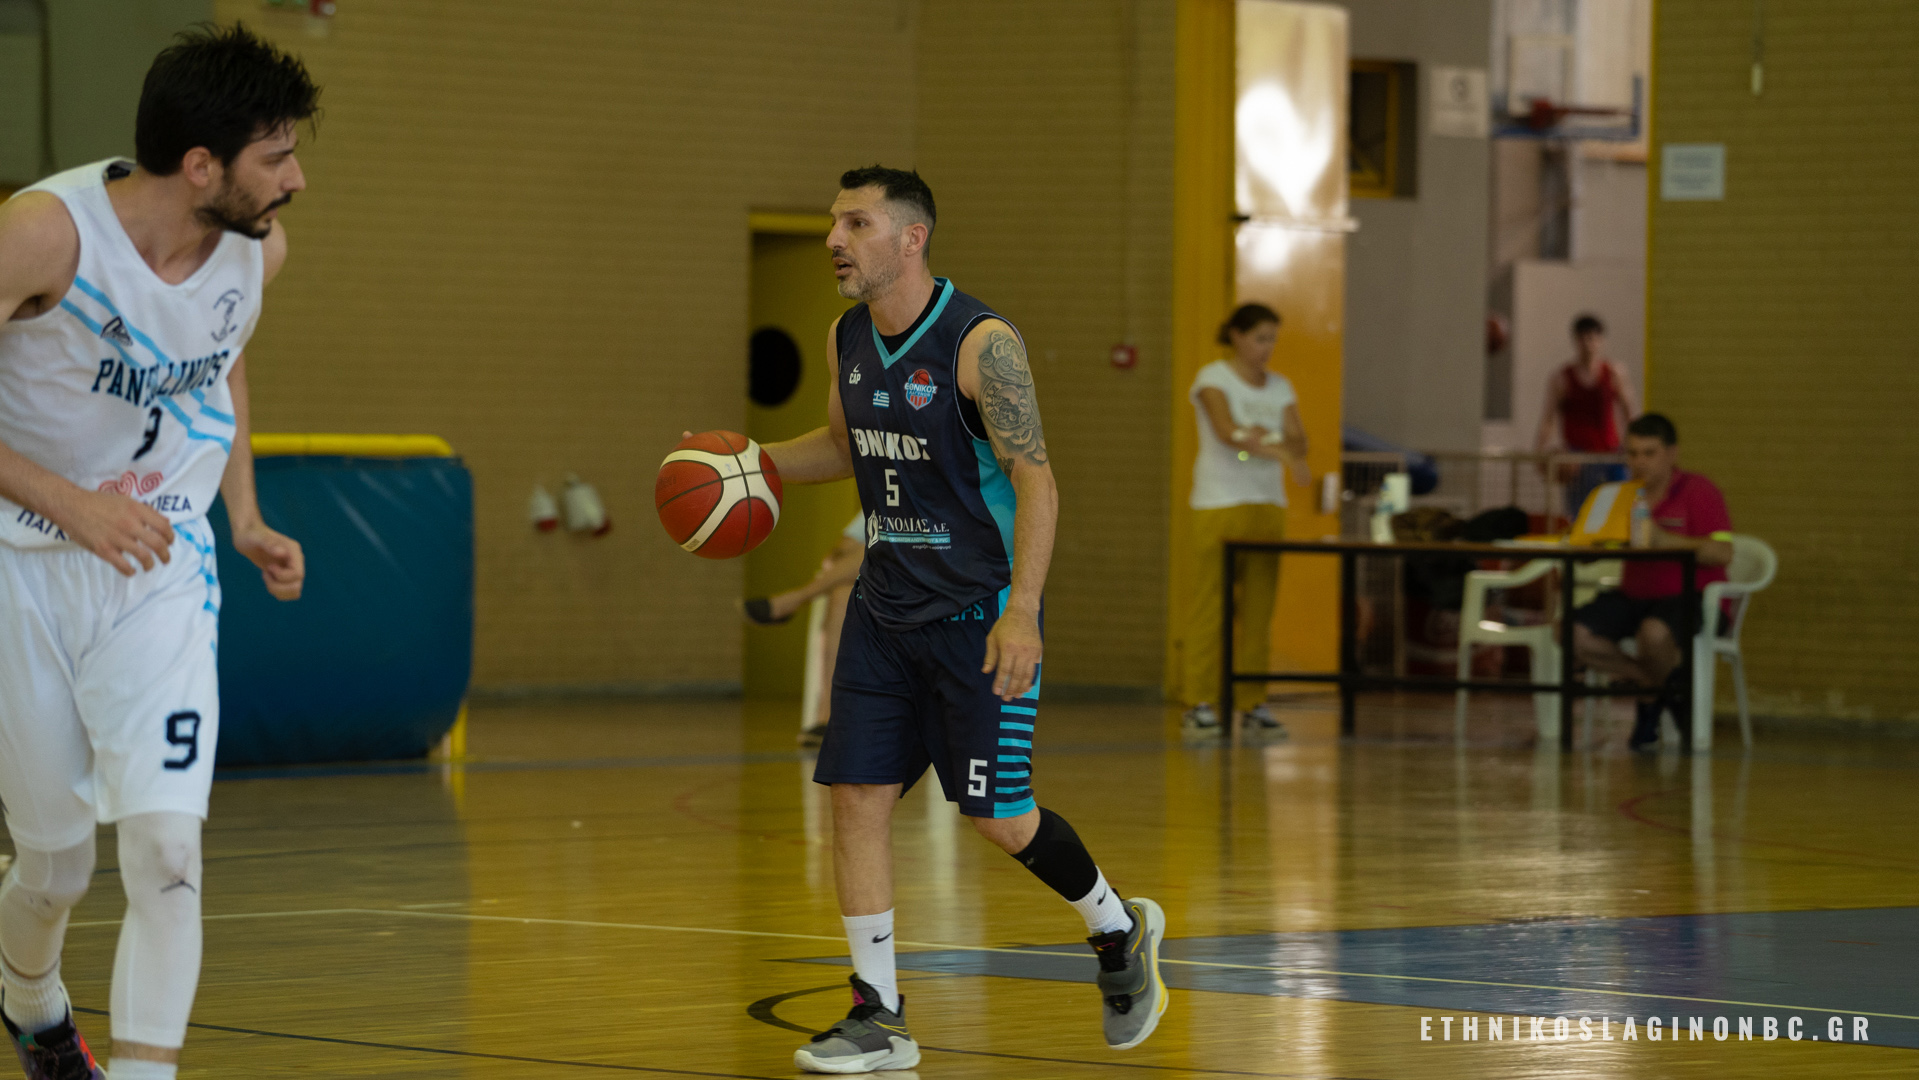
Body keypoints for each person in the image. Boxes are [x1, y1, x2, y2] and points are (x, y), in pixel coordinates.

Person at [752, 166, 1166, 1073]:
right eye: (832, 223)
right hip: (883, 612)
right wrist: (749, 465)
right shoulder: (847, 336)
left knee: (998, 818)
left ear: (911, 238)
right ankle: (878, 1014)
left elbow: (1036, 481)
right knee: (856, 798)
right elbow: (844, 446)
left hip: (978, 616)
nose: (833, 239)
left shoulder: (981, 344)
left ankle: (1114, 927)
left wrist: (1023, 613)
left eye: (856, 224)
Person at [0, 24, 315, 1080]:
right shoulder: (43, 236)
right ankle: (31, 1003)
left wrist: (243, 514)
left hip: (161, 569)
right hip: (20, 564)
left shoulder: (256, 250)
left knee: (168, 853)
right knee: (53, 866)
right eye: (277, 157)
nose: (296, 181)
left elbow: (221, 361)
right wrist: (69, 505)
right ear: (200, 165)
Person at [1177, 303, 1309, 733]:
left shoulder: (1281, 386)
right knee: (1210, 606)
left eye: (1272, 339)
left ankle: (1253, 703)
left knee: (1258, 611)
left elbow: (1300, 442)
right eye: (1259, 338)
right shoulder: (1213, 378)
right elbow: (1227, 431)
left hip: (1267, 505)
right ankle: (1199, 701)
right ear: (1236, 335)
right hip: (1219, 504)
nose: (1267, 348)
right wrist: (1273, 447)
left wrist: (1267, 441)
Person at [1572, 413, 1732, 750]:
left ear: (1672, 454)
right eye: (1632, 453)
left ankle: (1648, 705)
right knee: (1571, 634)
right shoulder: (1617, 496)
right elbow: (1588, 549)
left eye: (1649, 453)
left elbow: (1722, 552)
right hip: (1633, 597)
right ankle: (1659, 687)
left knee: (1654, 633)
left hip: (1692, 597)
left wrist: (1665, 540)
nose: (1640, 462)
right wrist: (1590, 545)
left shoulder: (1698, 491)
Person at [742, 512, 866, 745]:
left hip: (924, 582)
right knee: (842, 595)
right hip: (878, 584)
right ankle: (827, 716)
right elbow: (837, 553)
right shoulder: (886, 496)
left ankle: (796, 598)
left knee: (879, 548)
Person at [1535, 313, 1639, 519]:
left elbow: (1630, 411)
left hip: (1610, 453)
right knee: (1581, 516)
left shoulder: (1614, 373)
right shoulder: (1562, 378)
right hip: (1578, 458)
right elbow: (1548, 419)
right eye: (1583, 338)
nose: (1588, 344)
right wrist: (1540, 451)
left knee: (1619, 513)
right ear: (1575, 340)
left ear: (1601, 341)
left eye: (1592, 338)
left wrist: (1635, 445)